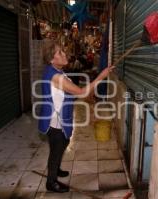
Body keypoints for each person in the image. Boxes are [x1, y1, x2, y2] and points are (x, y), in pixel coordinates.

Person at [38, 42, 114, 193]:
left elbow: (70, 93)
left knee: (62, 144)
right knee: (57, 150)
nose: (64, 54)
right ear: (51, 59)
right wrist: (101, 76)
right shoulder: (56, 76)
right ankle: (51, 182)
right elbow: (81, 92)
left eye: (63, 51)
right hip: (55, 121)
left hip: (58, 118)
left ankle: (57, 169)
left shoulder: (54, 70)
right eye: (59, 53)